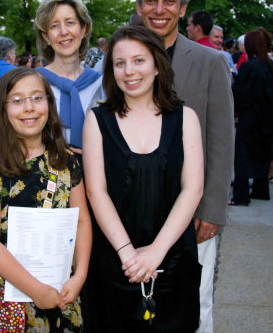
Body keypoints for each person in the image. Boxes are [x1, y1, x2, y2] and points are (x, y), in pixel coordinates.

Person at [83, 25, 204, 332]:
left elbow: (193, 188)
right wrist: (129, 255)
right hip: (114, 261)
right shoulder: (97, 120)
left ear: (157, 66)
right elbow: (97, 192)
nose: (129, 71)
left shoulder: (185, 118)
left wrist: (155, 252)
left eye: (139, 60)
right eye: (119, 63)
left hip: (173, 257)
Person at [134, 0, 234, 333]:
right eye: (151, 0)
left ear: (182, 8)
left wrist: (212, 208)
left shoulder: (210, 62)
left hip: (192, 209)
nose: (159, 9)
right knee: (138, 303)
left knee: (196, 301)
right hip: (134, 203)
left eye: (169, 1)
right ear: (139, 5)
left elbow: (222, 139)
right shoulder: (122, 56)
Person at [0, 67, 91, 332]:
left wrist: (80, 275)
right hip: (9, 297)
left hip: (61, 289)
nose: (29, 108)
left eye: (37, 97)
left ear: (49, 103)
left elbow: (81, 220)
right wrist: (35, 289)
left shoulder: (66, 161)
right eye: (17, 100)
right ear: (2, 110)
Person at [33, 0, 104, 153]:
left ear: (83, 29)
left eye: (70, 22)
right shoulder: (33, 83)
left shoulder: (102, 85)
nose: (63, 32)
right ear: (46, 37)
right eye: (54, 26)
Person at [230, 29, 273, 205]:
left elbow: (240, 92)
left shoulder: (249, 66)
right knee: (263, 152)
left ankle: (241, 195)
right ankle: (260, 190)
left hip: (250, 117)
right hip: (267, 117)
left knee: (242, 155)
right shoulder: (269, 65)